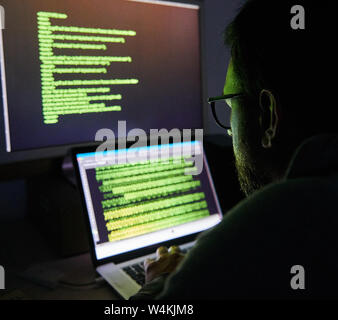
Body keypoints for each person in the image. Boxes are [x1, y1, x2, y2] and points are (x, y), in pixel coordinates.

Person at [131, 0, 338, 299]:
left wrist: (162, 282)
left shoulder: (269, 223)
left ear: (267, 116)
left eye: (230, 104)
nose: (229, 129)